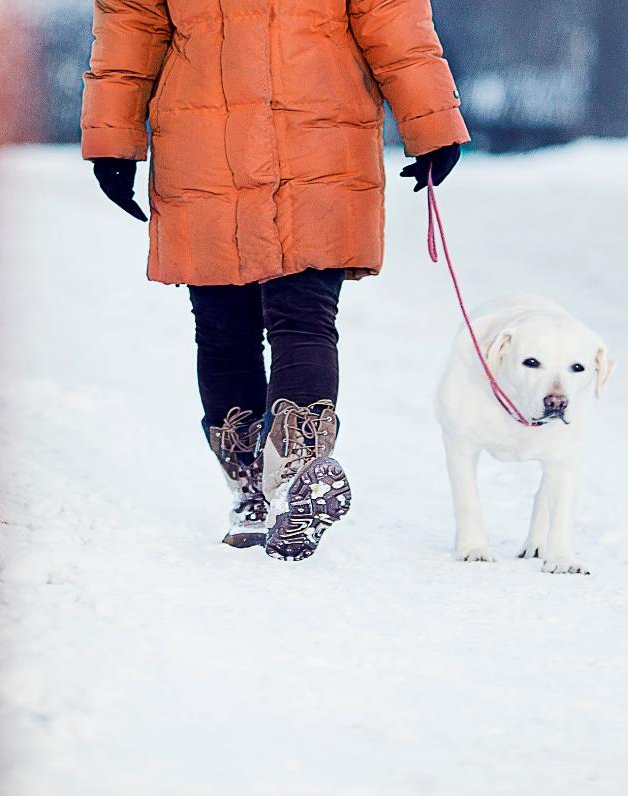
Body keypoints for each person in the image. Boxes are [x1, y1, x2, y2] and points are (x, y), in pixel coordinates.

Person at [81, 0, 469, 561]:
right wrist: (431, 122)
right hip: (308, 135)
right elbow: (392, 18)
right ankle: (293, 473)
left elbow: (130, 26)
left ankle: (262, 492)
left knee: (229, 330)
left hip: (227, 142)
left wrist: (114, 139)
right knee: (295, 320)